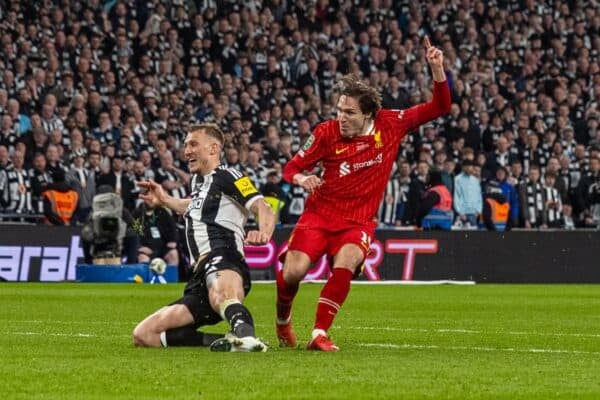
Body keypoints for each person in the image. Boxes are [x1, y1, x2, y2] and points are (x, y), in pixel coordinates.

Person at [275, 36, 450, 351]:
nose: (341, 117)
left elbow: (441, 106)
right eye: (340, 110)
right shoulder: (325, 133)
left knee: (348, 261)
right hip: (319, 215)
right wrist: (302, 179)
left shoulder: (391, 124)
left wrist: (437, 68)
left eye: (349, 112)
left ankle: (318, 334)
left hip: (358, 221)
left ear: (368, 114)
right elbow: (291, 168)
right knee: (293, 273)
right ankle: (283, 321)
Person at [132, 123, 275, 352]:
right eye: (186, 145)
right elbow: (193, 206)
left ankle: (248, 339)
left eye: (193, 144)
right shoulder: (199, 182)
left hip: (223, 256)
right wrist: (165, 200)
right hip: (198, 277)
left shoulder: (229, 176)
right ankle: (227, 340)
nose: (186, 150)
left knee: (223, 295)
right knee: (144, 335)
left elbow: (262, 206)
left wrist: (264, 232)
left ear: (213, 148)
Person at [132, 197, 179, 266]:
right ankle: (146, 277)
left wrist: (173, 240)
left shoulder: (162, 211)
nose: (151, 200)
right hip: (146, 248)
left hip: (162, 247)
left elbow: (173, 228)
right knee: (143, 258)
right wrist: (139, 246)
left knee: (173, 254)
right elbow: (133, 233)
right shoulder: (137, 214)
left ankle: (171, 276)